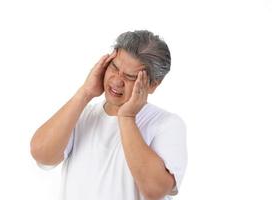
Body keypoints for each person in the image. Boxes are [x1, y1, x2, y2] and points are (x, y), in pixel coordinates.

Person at [30, 30, 187, 200]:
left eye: (130, 76)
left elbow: (155, 190)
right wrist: (85, 93)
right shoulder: (83, 114)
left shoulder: (166, 124)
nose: (117, 80)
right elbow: (41, 154)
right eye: (114, 67)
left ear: (152, 85)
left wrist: (126, 117)